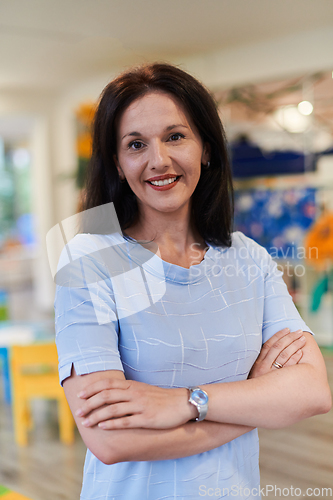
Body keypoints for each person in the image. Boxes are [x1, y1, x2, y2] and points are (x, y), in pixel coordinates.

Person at [55, 63, 331, 500]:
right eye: (136, 144)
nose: (158, 160)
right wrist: (254, 400)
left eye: (175, 136)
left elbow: (313, 391)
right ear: (117, 161)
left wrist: (187, 402)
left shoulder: (249, 258)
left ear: (205, 147)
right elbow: (110, 441)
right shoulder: (91, 260)